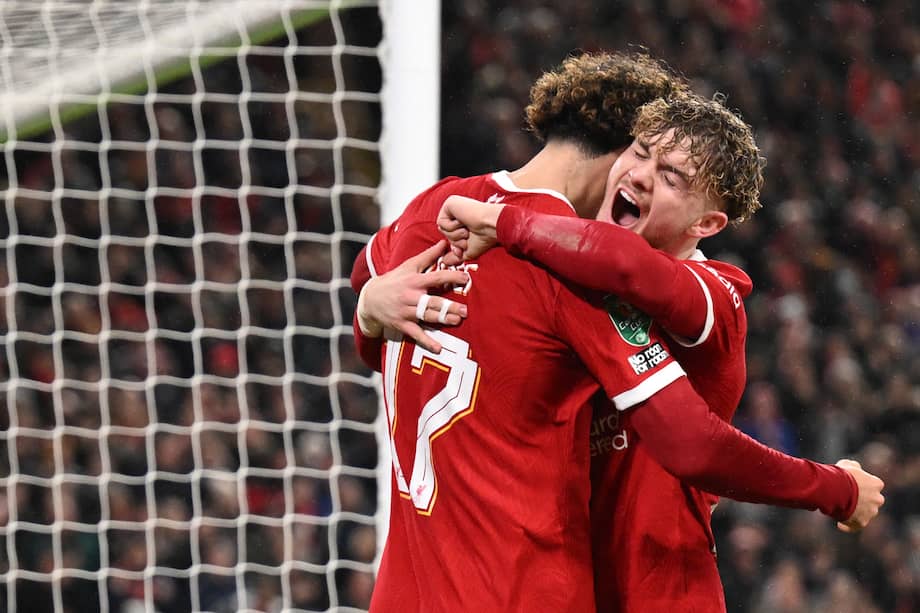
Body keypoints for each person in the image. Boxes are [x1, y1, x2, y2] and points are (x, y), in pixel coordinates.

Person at [351, 53, 884, 613]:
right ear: (619, 149)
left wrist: (374, 301)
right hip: (529, 587)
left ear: (708, 224)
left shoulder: (710, 290)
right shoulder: (565, 270)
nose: (641, 176)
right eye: (641, 153)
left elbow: (632, 274)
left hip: (645, 592)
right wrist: (369, 308)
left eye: (672, 177)